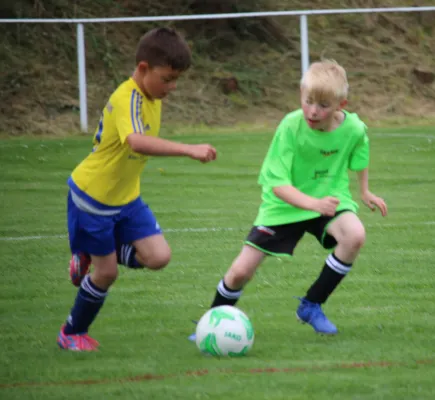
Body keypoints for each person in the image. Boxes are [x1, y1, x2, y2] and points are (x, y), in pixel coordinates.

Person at [190, 59, 387, 339]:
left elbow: (360, 152)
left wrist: (365, 191)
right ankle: (210, 323)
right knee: (240, 272)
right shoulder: (290, 127)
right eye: (308, 102)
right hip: (284, 205)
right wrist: (313, 205)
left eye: (323, 105)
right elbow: (277, 186)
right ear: (300, 95)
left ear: (340, 106)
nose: (313, 111)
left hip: (329, 198)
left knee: (354, 235)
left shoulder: (353, 128)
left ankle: (311, 305)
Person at [58, 27, 217, 351]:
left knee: (158, 257)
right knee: (106, 274)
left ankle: (90, 251)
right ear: (143, 68)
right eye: (167, 79)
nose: (171, 88)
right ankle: (71, 333)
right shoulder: (127, 96)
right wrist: (188, 149)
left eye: (176, 81)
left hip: (126, 198)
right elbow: (136, 141)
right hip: (94, 199)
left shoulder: (152, 95)